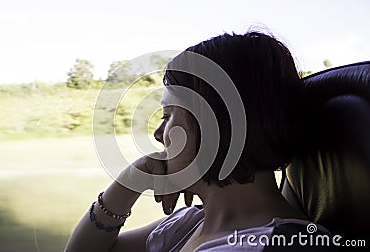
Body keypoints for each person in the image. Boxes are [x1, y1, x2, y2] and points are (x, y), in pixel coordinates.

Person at [65, 31, 333, 251]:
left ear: (215, 125)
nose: (159, 134)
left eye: (168, 114)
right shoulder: (189, 224)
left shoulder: (268, 246)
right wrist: (127, 185)